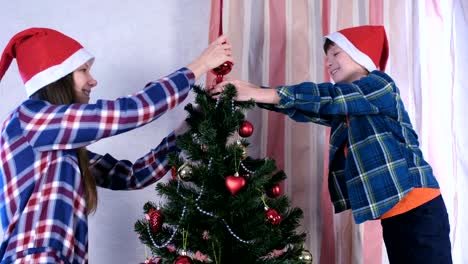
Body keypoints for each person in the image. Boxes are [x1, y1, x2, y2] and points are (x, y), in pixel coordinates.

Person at [209, 25, 452, 263]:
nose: (329, 62)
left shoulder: (379, 85)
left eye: (336, 53)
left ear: (361, 55)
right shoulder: (348, 108)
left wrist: (256, 93)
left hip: (420, 208)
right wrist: (250, 90)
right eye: (327, 57)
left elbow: (330, 97)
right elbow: (306, 106)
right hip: (396, 215)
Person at [0, 27, 232, 263]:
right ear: (57, 78)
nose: (93, 80)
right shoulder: (28, 119)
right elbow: (131, 111)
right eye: (83, 70)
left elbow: (133, 175)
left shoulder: (58, 148)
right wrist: (199, 66)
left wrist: (194, 121)